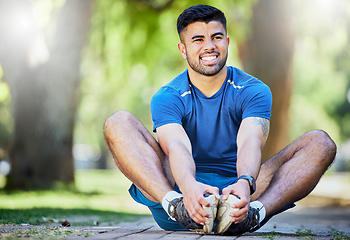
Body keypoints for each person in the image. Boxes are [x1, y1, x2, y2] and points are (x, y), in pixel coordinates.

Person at [103, 4, 336, 235]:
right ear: (182, 49)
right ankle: (174, 206)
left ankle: (255, 214)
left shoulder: (253, 89)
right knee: (118, 122)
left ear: (227, 42)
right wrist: (188, 187)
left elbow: (250, 141)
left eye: (216, 37)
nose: (209, 46)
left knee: (321, 143)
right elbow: (176, 146)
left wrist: (245, 183)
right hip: (182, 189)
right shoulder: (168, 96)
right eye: (198, 40)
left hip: (240, 196)